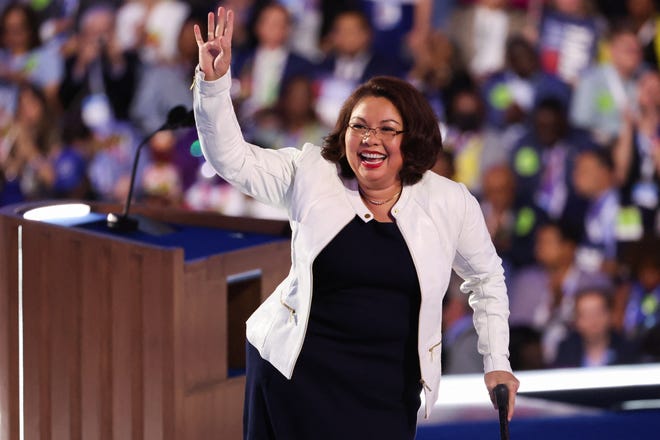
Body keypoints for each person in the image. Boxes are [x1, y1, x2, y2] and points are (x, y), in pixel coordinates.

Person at [193, 7, 519, 439]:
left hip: (385, 391)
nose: (370, 139)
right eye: (358, 126)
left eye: (388, 129)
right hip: (296, 378)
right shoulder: (311, 172)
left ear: (414, 138)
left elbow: (486, 279)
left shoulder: (449, 201)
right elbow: (230, 158)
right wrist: (215, 86)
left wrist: (497, 361)